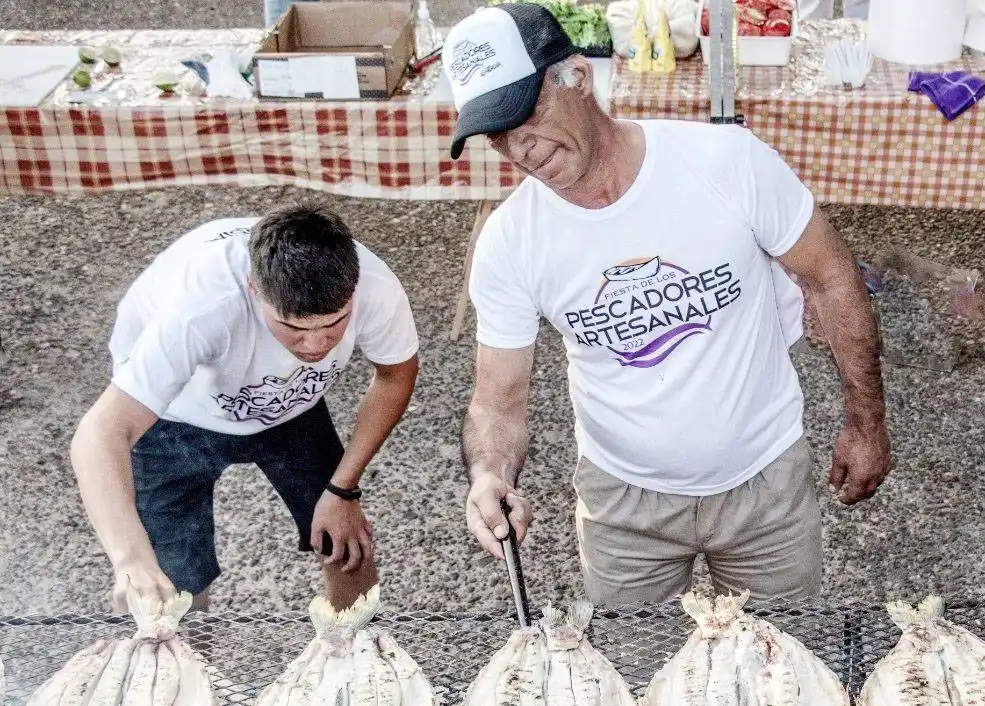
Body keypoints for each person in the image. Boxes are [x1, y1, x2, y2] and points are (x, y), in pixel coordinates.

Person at [445, 4, 890, 606]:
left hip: (765, 485)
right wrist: (490, 473)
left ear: (578, 76)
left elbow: (832, 277)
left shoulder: (724, 161)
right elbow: (498, 401)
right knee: (638, 682)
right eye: (496, 135)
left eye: (526, 112)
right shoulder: (510, 240)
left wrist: (866, 424)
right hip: (624, 509)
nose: (518, 148)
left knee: (783, 673)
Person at [70, 203, 420, 614]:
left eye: (333, 325)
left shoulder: (376, 285)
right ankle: (191, 671)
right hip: (176, 413)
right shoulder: (201, 306)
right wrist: (130, 561)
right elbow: (99, 433)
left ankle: (359, 657)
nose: (315, 345)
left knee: (347, 544)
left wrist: (342, 490)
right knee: (174, 585)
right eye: (293, 328)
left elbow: (395, 375)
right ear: (254, 287)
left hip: (291, 404)